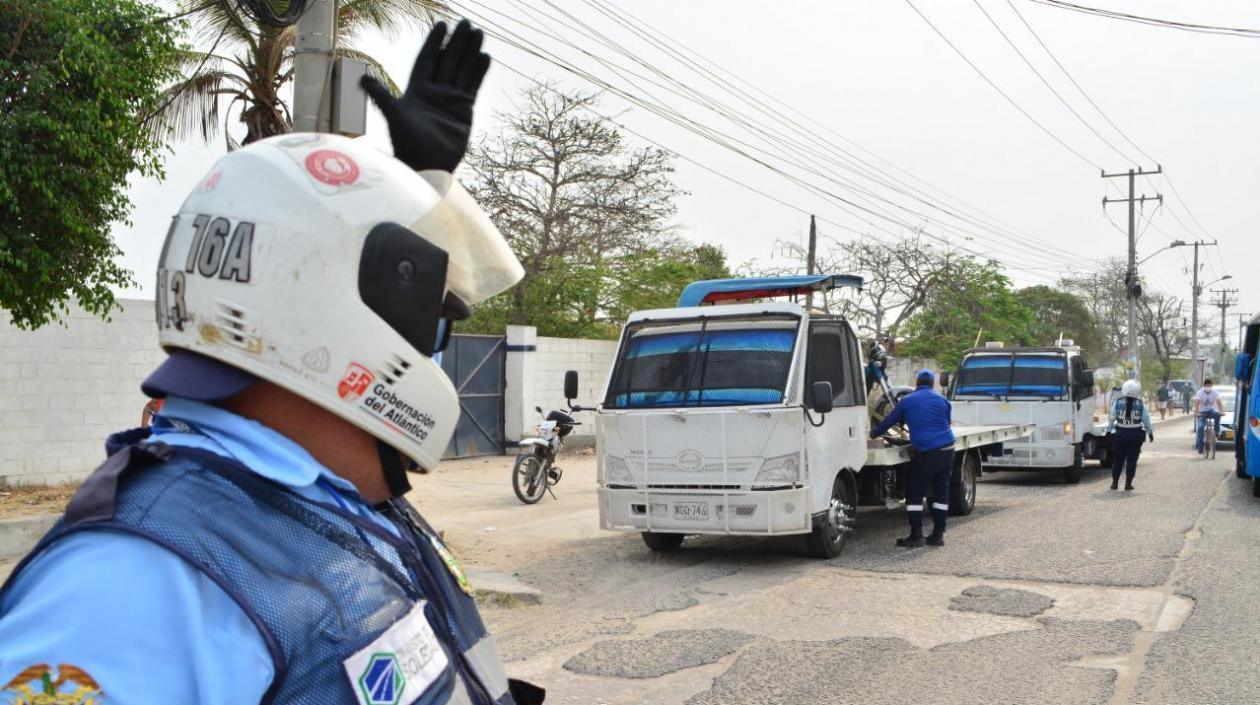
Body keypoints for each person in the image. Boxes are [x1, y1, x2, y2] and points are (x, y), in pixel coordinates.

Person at [0, 20, 544, 705]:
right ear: (333, 320)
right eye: (429, 320)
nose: (433, 346)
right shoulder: (137, 584)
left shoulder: (317, 497)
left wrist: (420, 187)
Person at [870, 369, 956, 548]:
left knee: (915, 492)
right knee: (941, 492)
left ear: (917, 383)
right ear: (932, 383)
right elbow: (947, 424)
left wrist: (873, 433)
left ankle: (916, 536)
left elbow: (888, 421)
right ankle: (938, 536)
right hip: (948, 449)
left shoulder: (907, 401)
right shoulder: (943, 401)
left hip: (927, 452)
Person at [1107, 379, 1154, 491]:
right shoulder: (1140, 404)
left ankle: (1115, 483)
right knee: (1131, 461)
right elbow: (1146, 420)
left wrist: (1110, 430)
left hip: (1120, 435)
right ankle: (1128, 484)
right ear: (1137, 391)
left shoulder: (1117, 403)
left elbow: (1111, 418)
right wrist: (1150, 432)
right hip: (1135, 436)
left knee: (1118, 460)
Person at [1194, 378, 1225, 453]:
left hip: (1211, 411)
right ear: (1204, 386)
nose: (1208, 387)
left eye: (1209, 385)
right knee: (1200, 428)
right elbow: (1197, 403)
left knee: (1217, 415)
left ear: (1211, 386)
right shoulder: (1199, 393)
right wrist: (1197, 412)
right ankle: (1200, 448)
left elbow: (1219, 402)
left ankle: (1217, 432)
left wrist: (1222, 411)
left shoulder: (1215, 393)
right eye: (1206, 385)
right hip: (1202, 413)